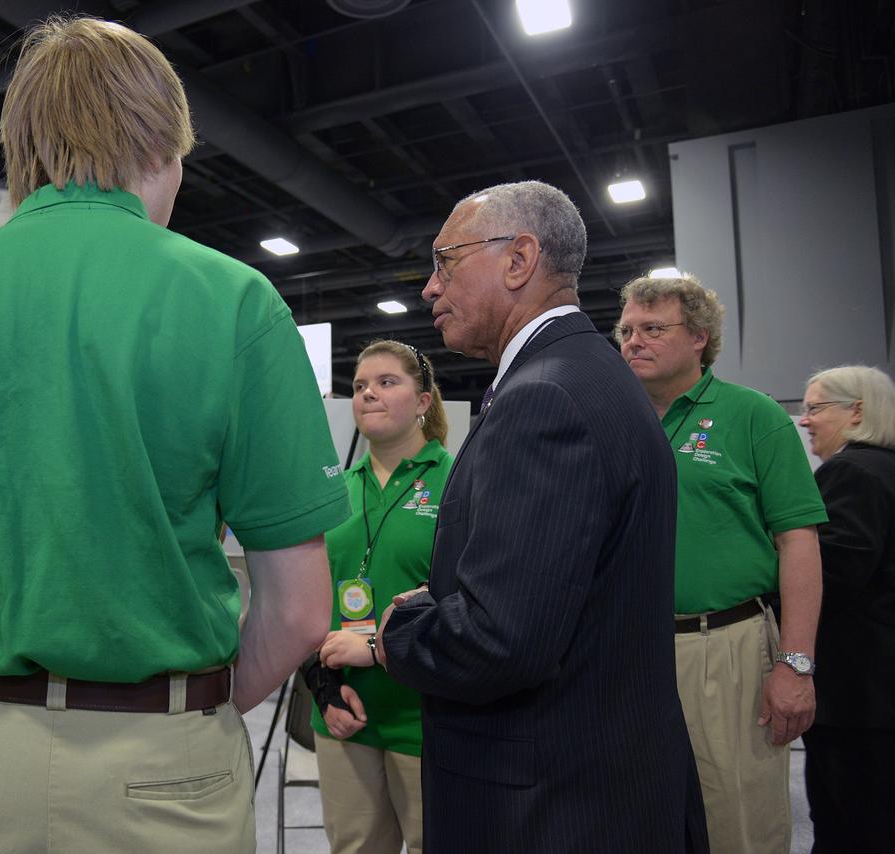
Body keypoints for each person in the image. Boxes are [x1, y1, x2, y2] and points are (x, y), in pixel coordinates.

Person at [0, 16, 348, 854]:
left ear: (20, 145)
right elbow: (301, 607)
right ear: (164, 144)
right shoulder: (234, 299)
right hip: (164, 768)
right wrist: (193, 703)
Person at [378, 181, 706, 852]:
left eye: (446, 261)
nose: (429, 289)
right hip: (599, 784)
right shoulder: (591, 377)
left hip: (547, 806)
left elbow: (501, 643)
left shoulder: (543, 398)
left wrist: (403, 629)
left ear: (519, 259)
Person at [617, 273, 825, 854]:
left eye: (653, 328)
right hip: (630, 651)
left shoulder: (753, 415)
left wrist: (796, 665)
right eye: (627, 329)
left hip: (725, 646)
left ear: (700, 338)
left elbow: (799, 542)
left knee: (738, 822)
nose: (634, 340)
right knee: (642, 818)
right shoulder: (614, 423)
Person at [308, 340, 451, 854]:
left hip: (429, 716)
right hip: (345, 713)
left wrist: (374, 649)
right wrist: (321, 686)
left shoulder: (458, 482)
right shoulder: (334, 490)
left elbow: (472, 598)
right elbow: (304, 600)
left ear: (423, 401)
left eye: (387, 382)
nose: (369, 393)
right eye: (360, 386)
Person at [796, 365, 895, 853]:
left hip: (858, 697)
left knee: (846, 827)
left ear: (857, 411)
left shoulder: (851, 472)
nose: (804, 420)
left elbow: (831, 573)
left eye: (815, 408)